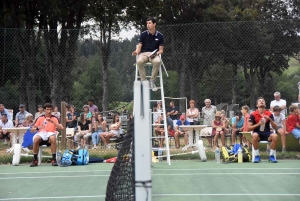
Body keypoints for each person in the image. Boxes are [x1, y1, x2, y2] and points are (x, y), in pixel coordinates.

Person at [131, 16, 164, 91]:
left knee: (158, 61)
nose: (148, 25)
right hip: (143, 54)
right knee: (139, 61)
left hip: (154, 54)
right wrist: (136, 52)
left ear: (154, 24)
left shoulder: (160, 36)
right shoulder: (143, 34)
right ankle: (144, 81)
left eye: (149, 23)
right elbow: (139, 47)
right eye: (147, 23)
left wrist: (155, 54)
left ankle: (152, 81)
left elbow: (161, 50)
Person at [248, 97, 278, 163]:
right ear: (257, 105)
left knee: (275, 136)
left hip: (267, 134)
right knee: (254, 135)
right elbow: (248, 128)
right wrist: (258, 124)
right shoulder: (253, 114)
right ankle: (257, 156)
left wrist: (270, 119)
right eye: (259, 101)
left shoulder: (269, 114)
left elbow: (275, 127)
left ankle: (271, 156)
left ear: (265, 104)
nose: (261, 102)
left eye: (263, 101)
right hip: (258, 134)